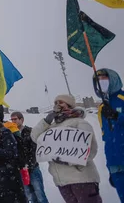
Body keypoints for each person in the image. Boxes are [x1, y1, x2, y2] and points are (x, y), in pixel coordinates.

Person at [31, 94, 102, 203]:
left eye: (61, 102)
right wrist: (46, 121)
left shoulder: (79, 122)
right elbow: (35, 137)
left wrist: (69, 161)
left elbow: (90, 150)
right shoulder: (52, 126)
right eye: (55, 103)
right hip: (62, 182)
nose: (58, 105)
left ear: (69, 105)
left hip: (82, 179)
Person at [92, 68, 124, 200]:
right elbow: (107, 137)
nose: (101, 82)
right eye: (98, 80)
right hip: (115, 162)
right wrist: (111, 166)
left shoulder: (122, 98)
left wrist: (118, 116)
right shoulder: (101, 108)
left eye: (104, 78)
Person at [10, 111, 48, 203]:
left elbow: (34, 149)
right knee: (29, 195)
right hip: (21, 170)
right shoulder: (11, 134)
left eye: (15, 119)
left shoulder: (29, 131)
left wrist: (30, 164)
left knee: (40, 194)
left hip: (33, 168)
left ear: (21, 119)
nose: (13, 121)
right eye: (11, 120)